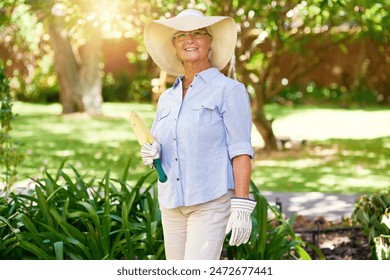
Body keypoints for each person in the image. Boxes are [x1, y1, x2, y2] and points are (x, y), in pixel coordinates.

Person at [141, 8, 257, 260]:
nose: (189, 39)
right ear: (174, 45)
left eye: (197, 33)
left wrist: (241, 205)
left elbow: (241, 151)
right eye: (181, 35)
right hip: (171, 203)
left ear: (209, 40)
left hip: (210, 201)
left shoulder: (229, 91)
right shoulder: (167, 98)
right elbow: (165, 143)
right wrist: (153, 153)